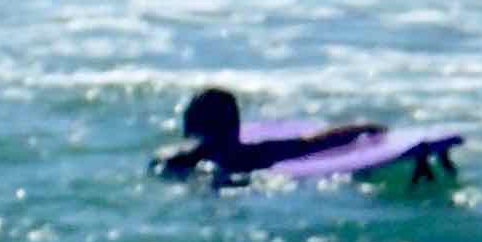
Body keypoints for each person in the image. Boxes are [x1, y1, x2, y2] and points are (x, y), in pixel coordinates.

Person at [153, 88, 385, 184]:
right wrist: (362, 128)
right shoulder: (257, 153)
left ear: (189, 128)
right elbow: (314, 143)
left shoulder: (172, 159)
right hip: (251, 182)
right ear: (236, 126)